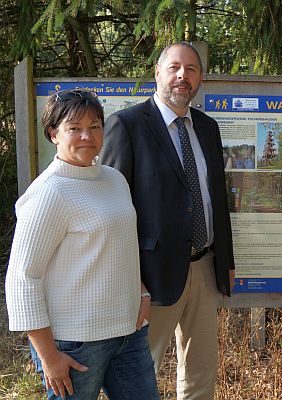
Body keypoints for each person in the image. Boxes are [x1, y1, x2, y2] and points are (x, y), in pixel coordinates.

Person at [101, 42, 236, 400]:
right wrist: (132, 280)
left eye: (191, 69)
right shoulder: (127, 125)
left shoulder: (207, 127)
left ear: (200, 78)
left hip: (205, 267)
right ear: (157, 73)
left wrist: (227, 261)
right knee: (139, 372)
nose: (182, 75)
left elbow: (216, 200)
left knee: (201, 370)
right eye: (174, 67)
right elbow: (114, 211)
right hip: (151, 275)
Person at [5, 89, 159, 400]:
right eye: (74, 128)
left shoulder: (115, 180)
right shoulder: (49, 194)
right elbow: (22, 279)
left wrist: (141, 292)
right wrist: (49, 357)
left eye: (95, 126)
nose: (86, 136)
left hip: (129, 334)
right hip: (75, 345)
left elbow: (120, 248)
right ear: (53, 134)